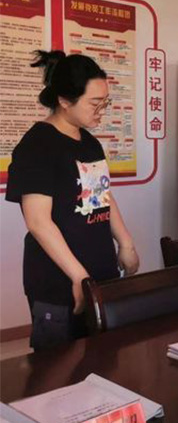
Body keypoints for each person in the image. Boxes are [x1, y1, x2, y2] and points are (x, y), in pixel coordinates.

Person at [5, 50, 140, 351]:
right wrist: (79, 278)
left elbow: (102, 195)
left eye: (105, 102)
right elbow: (38, 222)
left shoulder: (89, 142)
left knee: (103, 358)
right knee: (57, 367)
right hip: (58, 280)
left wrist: (126, 243)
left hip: (99, 272)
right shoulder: (38, 145)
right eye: (95, 103)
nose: (102, 110)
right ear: (65, 101)